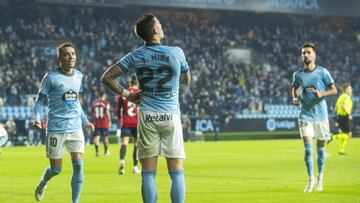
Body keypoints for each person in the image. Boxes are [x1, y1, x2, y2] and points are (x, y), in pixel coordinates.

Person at [101, 13, 191, 203]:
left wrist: (128, 95)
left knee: (148, 173)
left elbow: (107, 78)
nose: (162, 25)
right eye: (159, 23)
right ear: (155, 30)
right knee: (176, 172)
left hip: (147, 115)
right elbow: (186, 80)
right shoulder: (177, 52)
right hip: (170, 115)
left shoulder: (135, 56)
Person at [32, 42, 94, 203]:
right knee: (56, 169)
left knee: (79, 165)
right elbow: (39, 102)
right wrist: (37, 118)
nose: (71, 56)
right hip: (56, 128)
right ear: (59, 58)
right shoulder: (51, 77)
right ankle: (43, 183)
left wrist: (85, 121)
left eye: (73, 53)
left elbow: (75, 102)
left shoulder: (79, 76)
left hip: (75, 128)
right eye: (66, 54)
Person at [292, 42, 337, 193]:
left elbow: (334, 90)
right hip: (305, 115)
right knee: (307, 149)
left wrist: (321, 94)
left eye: (308, 52)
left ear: (314, 55)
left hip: (321, 116)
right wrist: (295, 97)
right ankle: (310, 180)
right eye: (303, 53)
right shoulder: (297, 74)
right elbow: (295, 87)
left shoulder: (323, 72)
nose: (305, 55)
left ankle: (320, 179)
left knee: (321, 151)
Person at [116, 75, 141, 174]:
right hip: (137, 123)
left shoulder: (124, 93)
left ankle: (122, 162)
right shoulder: (140, 93)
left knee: (124, 143)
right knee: (136, 145)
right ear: (137, 82)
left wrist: (120, 120)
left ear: (130, 82)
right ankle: (135, 167)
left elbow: (118, 110)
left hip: (126, 122)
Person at [328, 84, 353, 155]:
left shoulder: (341, 96)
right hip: (345, 116)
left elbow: (337, 106)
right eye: (350, 88)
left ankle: (341, 150)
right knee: (349, 135)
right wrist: (348, 114)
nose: (351, 90)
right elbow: (343, 106)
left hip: (340, 116)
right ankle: (333, 137)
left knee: (345, 134)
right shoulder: (346, 97)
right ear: (346, 89)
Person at [91, 92, 111, 156]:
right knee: (105, 138)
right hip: (104, 123)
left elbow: (93, 113)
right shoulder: (106, 103)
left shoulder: (94, 103)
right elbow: (107, 112)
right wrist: (110, 121)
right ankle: (106, 152)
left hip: (96, 123)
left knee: (97, 138)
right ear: (104, 95)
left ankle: (97, 152)